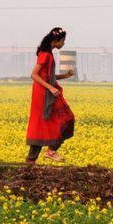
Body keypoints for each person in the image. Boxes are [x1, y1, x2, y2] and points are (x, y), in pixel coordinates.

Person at [26, 27, 76, 164]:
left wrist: (65, 76)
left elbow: (47, 76)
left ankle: (31, 160)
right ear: (55, 41)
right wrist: (50, 88)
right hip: (43, 94)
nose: (64, 43)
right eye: (63, 41)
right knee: (67, 118)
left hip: (46, 91)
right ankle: (51, 150)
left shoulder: (47, 54)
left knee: (44, 122)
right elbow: (34, 75)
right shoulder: (45, 55)